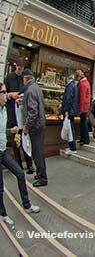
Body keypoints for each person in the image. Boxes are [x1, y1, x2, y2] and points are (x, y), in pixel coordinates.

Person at [0, 82, 40, 227]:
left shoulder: (4, 109)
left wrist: (9, 131)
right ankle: (3, 214)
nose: (6, 95)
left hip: (3, 150)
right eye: (4, 92)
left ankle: (27, 205)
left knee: (20, 174)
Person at [4, 61, 33, 173]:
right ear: (16, 66)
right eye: (19, 68)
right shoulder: (9, 78)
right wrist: (11, 95)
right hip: (12, 113)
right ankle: (18, 165)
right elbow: (4, 94)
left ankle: (29, 164)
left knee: (25, 139)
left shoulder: (24, 79)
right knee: (15, 142)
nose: (20, 70)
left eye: (22, 68)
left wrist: (23, 99)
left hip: (22, 113)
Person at [21, 69, 47, 187]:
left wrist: (26, 126)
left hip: (35, 126)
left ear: (26, 78)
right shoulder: (36, 88)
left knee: (37, 153)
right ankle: (40, 173)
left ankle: (42, 178)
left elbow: (33, 111)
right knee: (38, 151)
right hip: (40, 124)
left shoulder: (30, 90)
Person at [61, 74, 79, 155]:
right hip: (72, 110)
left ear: (68, 79)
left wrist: (66, 110)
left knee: (70, 130)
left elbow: (68, 98)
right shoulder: (74, 86)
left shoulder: (70, 86)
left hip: (69, 111)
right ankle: (72, 147)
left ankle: (73, 148)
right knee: (70, 129)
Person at [76, 70, 91, 146]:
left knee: (83, 123)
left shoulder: (82, 84)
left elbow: (82, 97)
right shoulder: (86, 83)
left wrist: (81, 109)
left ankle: (85, 139)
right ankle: (83, 138)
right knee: (83, 122)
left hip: (83, 107)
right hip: (85, 106)